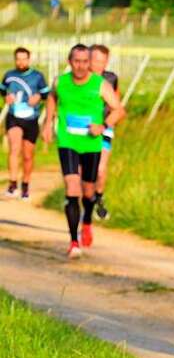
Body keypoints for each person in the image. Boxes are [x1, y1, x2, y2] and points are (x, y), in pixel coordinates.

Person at [42, 44, 125, 258]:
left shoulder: (100, 84)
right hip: (68, 142)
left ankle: (87, 220)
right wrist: (48, 123)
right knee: (72, 188)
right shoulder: (61, 82)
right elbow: (52, 97)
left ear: (89, 63)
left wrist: (103, 126)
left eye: (84, 62)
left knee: (88, 191)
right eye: (76, 61)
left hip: (91, 143)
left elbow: (118, 109)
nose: (80, 66)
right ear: (70, 62)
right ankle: (73, 242)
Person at [2, 47, 49, 200]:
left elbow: (46, 94)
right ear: (15, 60)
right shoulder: (9, 75)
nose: (21, 62)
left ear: (29, 60)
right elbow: (3, 90)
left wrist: (38, 97)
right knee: (14, 148)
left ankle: (25, 185)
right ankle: (13, 184)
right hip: (14, 116)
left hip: (31, 118)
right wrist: (7, 98)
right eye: (18, 59)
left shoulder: (37, 76)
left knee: (28, 155)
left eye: (24, 59)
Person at [89, 44, 120, 221]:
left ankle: (98, 199)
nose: (98, 65)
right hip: (83, 130)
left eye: (102, 61)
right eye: (95, 60)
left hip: (104, 128)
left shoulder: (111, 78)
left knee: (100, 169)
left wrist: (108, 121)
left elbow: (118, 104)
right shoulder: (80, 79)